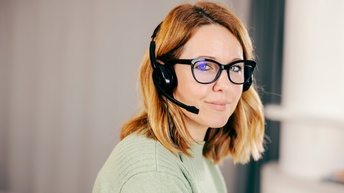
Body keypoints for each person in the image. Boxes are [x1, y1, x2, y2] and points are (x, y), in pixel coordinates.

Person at [92, 1, 265, 193]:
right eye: (204, 66)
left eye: (235, 67)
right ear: (165, 76)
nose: (225, 85)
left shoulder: (200, 158)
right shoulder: (153, 173)